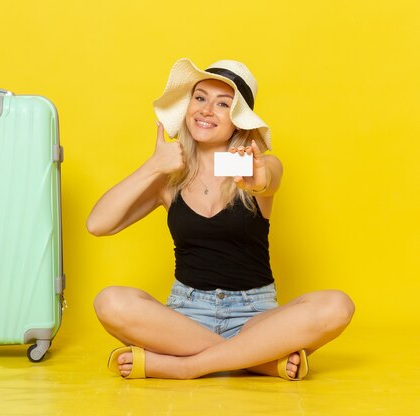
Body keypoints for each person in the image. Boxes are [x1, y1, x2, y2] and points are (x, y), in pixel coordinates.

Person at [86, 58, 355, 380]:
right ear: (187, 107)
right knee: (111, 301)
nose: (206, 110)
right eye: (200, 98)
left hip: (255, 315)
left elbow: (268, 178)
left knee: (337, 305)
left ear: (238, 120)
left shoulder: (260, 166)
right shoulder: (169, 178)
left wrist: (257, 181)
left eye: (223, 104)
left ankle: (186, 366)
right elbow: (98, 225)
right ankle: (258, 359)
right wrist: (153, 167)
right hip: (185, 315)